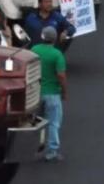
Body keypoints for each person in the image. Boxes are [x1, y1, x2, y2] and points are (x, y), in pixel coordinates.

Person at [31, 26, 67, 162]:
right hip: (52, 93)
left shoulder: (34, 50)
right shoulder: (57, 54)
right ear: (55, 38)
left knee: (35, 122)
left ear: (42, 36)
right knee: (53, 123)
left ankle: (32, 148)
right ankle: (52, 151)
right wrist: (64, 92)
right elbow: (61, 75)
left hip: (35, 93)